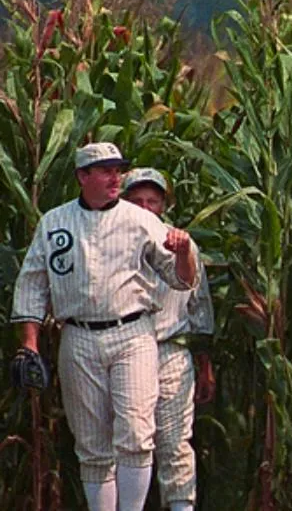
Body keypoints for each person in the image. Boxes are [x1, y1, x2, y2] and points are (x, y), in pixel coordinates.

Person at [11, 143, 198, 511]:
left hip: (133, 333)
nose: (115, 178)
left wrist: (183, 253)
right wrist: (29, 343)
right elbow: (33, 284)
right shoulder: (55, 222)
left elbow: (181, 280)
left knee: (136, 435)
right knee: (92, 445)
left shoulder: (141, 219)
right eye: (106, 170)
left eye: (118, 170)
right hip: (77, 336)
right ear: (83, 176)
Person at [120, 168, 214, 511]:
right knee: (130, 443)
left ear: (163, 204)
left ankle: (181, 506)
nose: (145, 207)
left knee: (175, 442)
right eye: (137, 201)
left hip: (170, 352)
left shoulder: (183, 245)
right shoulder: (113, 243)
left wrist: (205, 364)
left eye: (153, 201)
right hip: (124, 351)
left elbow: (199, 306)